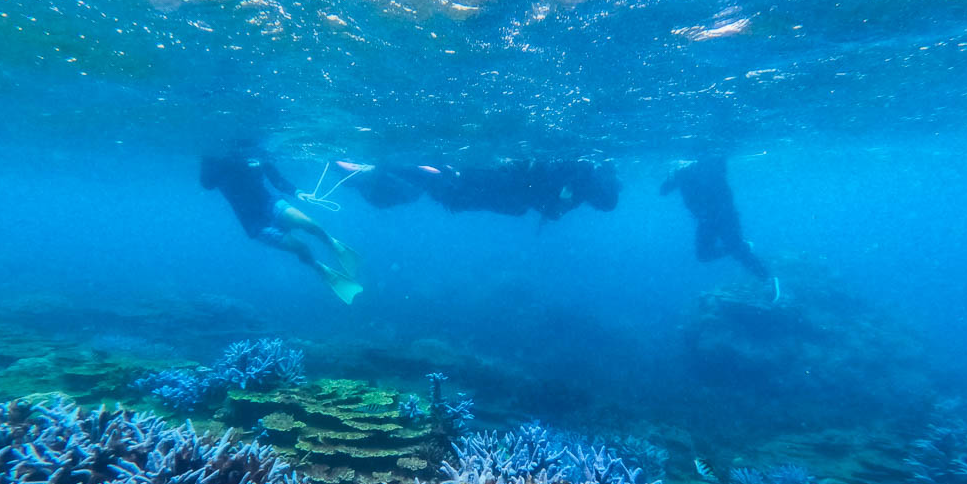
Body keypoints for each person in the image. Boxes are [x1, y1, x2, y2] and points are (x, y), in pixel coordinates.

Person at [200, 146, 363, 304]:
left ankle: (333, 244)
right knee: (301, 247)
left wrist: (298, 192)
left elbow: (276, 179)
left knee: (311, 225)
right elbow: (206, 184)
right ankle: (322, 270)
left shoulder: (255, 151)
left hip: (269, 203)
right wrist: (225, 161)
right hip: (253, 222)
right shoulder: (215, 161)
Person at [338, 158, 620, 222]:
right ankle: (377, 168)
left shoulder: (581, 184)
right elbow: (545, 189)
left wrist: (560, 203)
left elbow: (549, 205)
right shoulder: (582, 174)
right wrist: (561, 200)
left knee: (446, 187)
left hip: (504, 192)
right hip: (503, 187)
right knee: (448, 184)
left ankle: (372, 173)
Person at [660, 156, 773, 285]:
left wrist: (684, 171)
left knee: (739, 253)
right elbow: (663, 190)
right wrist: (672, 175)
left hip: (725, 218)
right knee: (704, 255)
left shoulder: (708, 167)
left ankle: (767, 279)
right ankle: (742, 248)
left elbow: (720, 167)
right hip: (707, 221)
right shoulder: (681, 173)